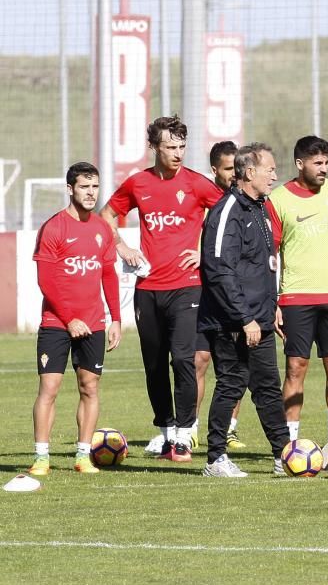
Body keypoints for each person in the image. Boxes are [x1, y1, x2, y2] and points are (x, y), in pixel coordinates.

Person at [98, 115, 224, 462]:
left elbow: (226, 215)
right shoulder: (138, 184)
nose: (178, 153)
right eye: (170, 147)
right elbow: (107, 215)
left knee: (183, 358)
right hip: (147, 288)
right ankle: (167, 432)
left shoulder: (198, 184)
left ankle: (185, 434)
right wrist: (121, 246)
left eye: (182, 146)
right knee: (153, 364)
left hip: (187, 287)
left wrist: (202, 250)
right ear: (154, 147)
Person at [199, 142, 291, 477]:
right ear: (249, 172)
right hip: (232, 320)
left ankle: (283, 456)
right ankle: (215, 458)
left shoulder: (261, 208)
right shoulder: (227, 211)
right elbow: (219, 269)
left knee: (268, 385)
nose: (275, 175)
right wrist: (245, 318)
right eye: (269, 169)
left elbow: (261, 266)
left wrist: (272, 307)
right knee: (232, 383)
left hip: (259, 316)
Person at [266, 136, 328, 456]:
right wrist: (272, 301)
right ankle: (289, 444)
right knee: (296, 368)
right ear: (300, 164)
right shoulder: (278, 199)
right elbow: (271, 254)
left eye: (326, 163)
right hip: (295, 298)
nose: (323, 169)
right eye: (317, 163)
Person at [29, 162, 122, 476]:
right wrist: (69, 319)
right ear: (70, 189)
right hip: (57, 323)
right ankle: (42, 457)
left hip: (94, 322)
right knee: (50, 387)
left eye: (94, 186)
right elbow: (46, 281)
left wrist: (116, 319)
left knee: (90, 388)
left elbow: (108, 274)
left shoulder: (101, 229)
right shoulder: (54, 227)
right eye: (84, 186)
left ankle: (83, 456)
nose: (91, 193)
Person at [193, 140, 245, 451]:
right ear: (215, 170)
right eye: (229, 169)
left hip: (235, 294)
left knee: (235, 365)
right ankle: (192, 427)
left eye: (238, 168)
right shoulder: (204, 199)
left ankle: (230, 429)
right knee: (199, 360)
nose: (235, 175)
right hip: (202, 292)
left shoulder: (245, 202)